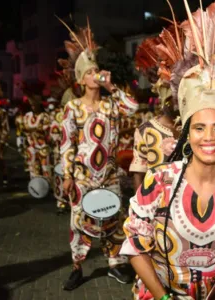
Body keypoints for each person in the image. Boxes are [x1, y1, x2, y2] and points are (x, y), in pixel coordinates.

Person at [121, 1, 215, 298]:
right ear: (187, 134)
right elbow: (134, 246)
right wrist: (161, 296)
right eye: (199, 128)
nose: (208, 137)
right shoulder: (158, 182)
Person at [58, 19, 138, 290]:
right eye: (91, 71)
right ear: (81, 79)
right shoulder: (73, 108)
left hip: (109, 175)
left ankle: (115, 265)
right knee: (79, 221)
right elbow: (67, 143)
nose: (97, 74)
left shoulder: (111, 104)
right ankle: (77, 267)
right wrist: (67, 176)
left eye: (98, 70)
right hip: (82, 177)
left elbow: (133, 108)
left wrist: (112, 87)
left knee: (113, 220)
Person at [130, 37, 181, 190]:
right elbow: (138, 175)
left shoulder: (196, 128)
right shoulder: (146, 130)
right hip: (156, 207)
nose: (176, 105)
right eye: (171, 99)